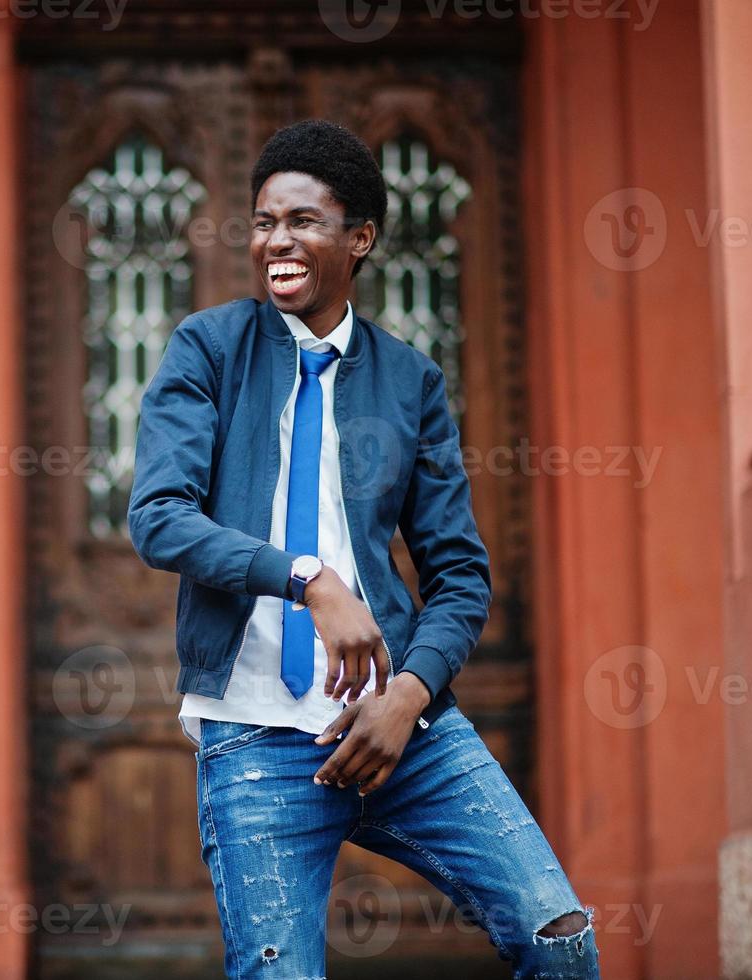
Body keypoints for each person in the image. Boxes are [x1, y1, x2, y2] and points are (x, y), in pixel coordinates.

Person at [126, 119, 599, 978]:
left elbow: (458, 574)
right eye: (265, 220)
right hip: (255, 736)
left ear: (359, 238)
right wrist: (306, 579)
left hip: (402, 733)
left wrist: (408, 698)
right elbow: (158, 516)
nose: (277, 239)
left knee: (556, 936)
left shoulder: (408, 379)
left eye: (303, 220)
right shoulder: (207, 349)